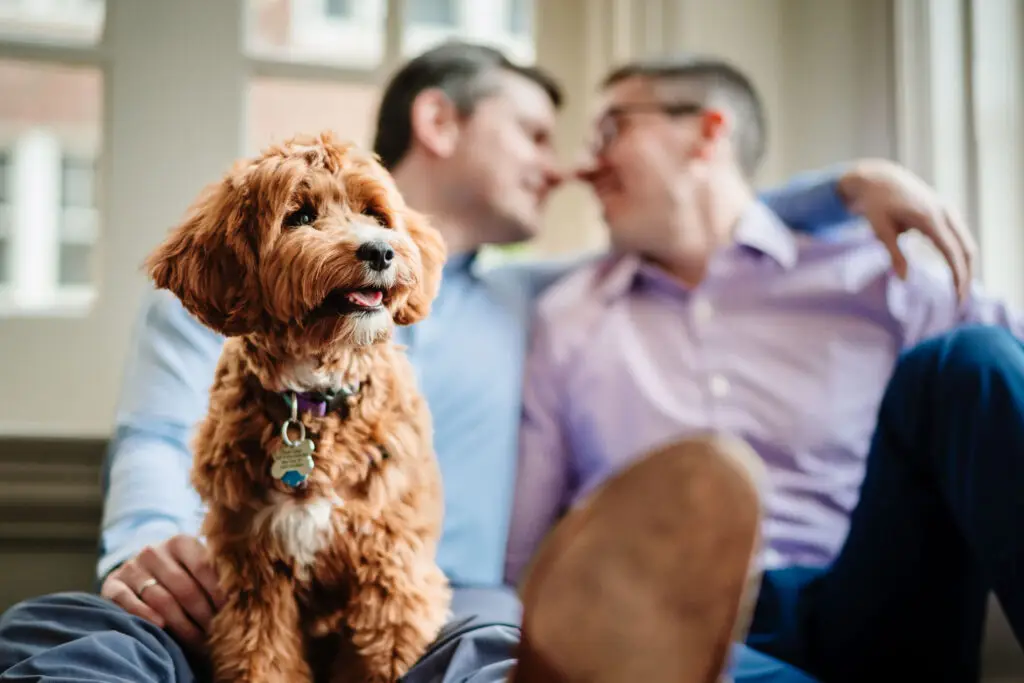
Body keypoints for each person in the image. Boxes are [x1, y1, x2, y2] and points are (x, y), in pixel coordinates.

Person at [0, 42, 974, 683]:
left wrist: (842, 188)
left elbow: (706, 227)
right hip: (234, 577)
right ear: (439, 122)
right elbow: (160, 433)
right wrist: (145, 543)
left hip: (442, 598)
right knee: (67, 632)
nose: (562, 169)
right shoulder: (240, 278)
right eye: (539, 136)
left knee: (499, 651)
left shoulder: (538, 295)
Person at [504, 54, 1024, 682]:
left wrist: (856, 185)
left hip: (871, 593)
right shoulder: (567, 319)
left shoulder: (878, 274)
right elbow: (524, 555)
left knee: (973, 357)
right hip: (665, 630)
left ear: (707, 131)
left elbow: (1003, 388)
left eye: (613, 129)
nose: (586, 166)